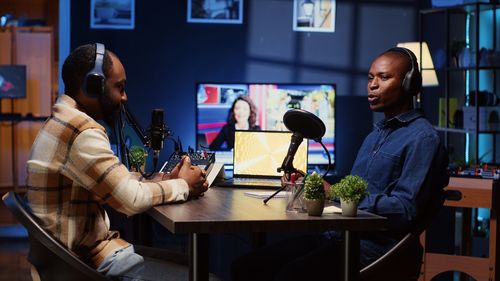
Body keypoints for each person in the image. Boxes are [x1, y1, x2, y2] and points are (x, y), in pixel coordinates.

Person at [231, 47, 450, 281]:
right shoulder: (375, 135)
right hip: (339, 236)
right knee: (246, 266)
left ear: (409, 84)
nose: (372, 85)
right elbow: (356, 186)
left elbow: (405, 210)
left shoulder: (424, 139)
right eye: (370, 78)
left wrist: (334, 192)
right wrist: (311, 182)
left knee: (288, 276)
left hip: (375, 248)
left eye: (384, 78)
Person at [25, 43, 212, 280]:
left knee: (190, 263)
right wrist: (184, 185)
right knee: (203, 273)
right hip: (83, 264)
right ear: (93, 87)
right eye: (119, 87)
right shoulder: (81, 131)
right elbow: (130, 201)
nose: (125, 97)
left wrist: (163, 179)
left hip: (63, 261)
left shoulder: (62, 121)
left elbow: (112, 179)